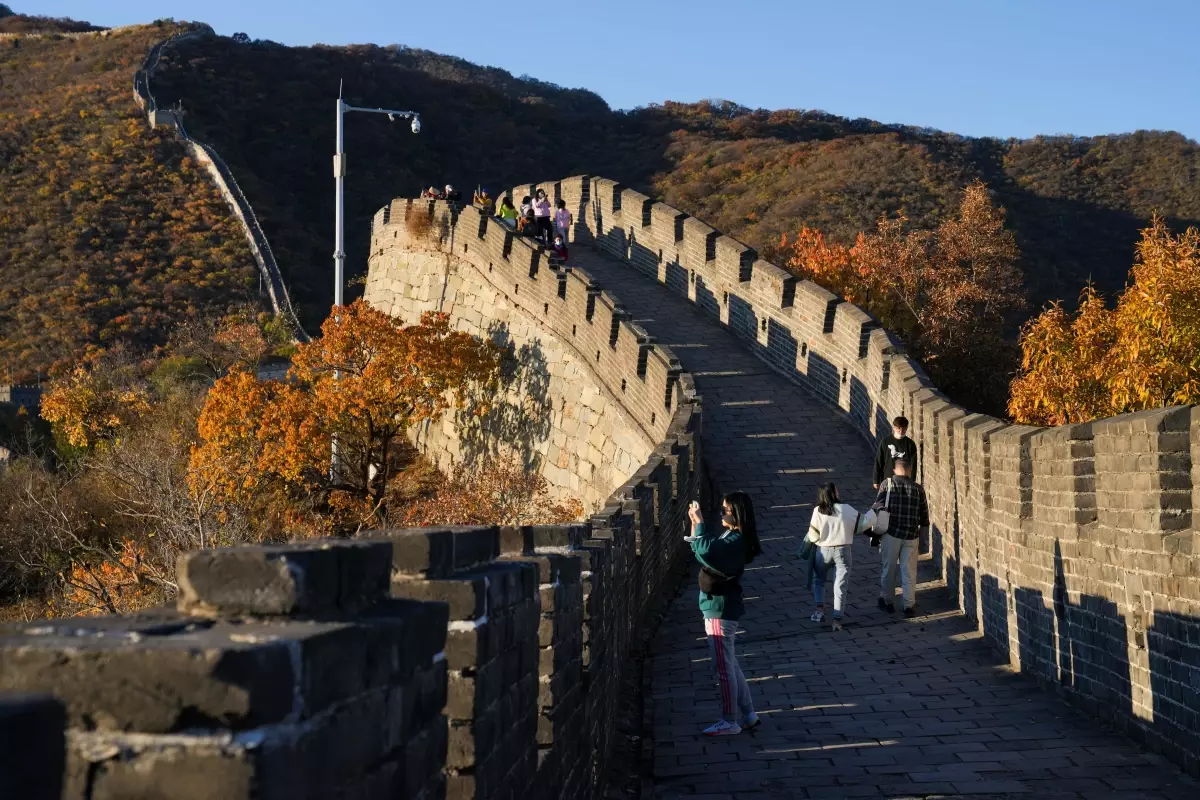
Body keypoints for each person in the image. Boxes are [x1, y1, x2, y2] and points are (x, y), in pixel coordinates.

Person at [687, 492, 762, 736]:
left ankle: (729, 719)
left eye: (725, 510)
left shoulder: (736, 540)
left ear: (737, 513)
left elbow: (706, 552)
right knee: (730, 663)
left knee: (722, 667)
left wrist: (699, 523)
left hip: (720, 607)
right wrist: (694, 525)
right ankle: (749, 714)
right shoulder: (731, 536)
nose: (721, 513)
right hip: (720, 606)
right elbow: (701, 551)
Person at [806, 483, 876, 631]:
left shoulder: (817, 511)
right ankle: (837, 620)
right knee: (840, 586)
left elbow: (812, 536)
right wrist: (873, 512)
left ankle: (819, 610)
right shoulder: (846, 509)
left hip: (823, 551)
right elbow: (863, 524)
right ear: (834, 493)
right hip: (843, 551)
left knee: (819, 580)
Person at [873, 456, 928, 616]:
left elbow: (877, 507)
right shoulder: (918, 489)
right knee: (909, 572)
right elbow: (924, 518)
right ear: (910, 471)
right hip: (911, 536)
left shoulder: (887, 484)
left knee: (889, 569)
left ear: (895, 470)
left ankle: (887, 601)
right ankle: (908, 605)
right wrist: (921, 540)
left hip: (891, 534)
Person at [873, 415, 917, 489]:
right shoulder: (885, 442)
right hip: (888, 478)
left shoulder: (910, 444)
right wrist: (876, 480)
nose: (901, 431)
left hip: (904, 480)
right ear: (894, 427)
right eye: (898, 428)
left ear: (906, 428)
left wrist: (912, 481)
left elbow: (913, 464)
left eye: (903, 428)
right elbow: (878, 461)